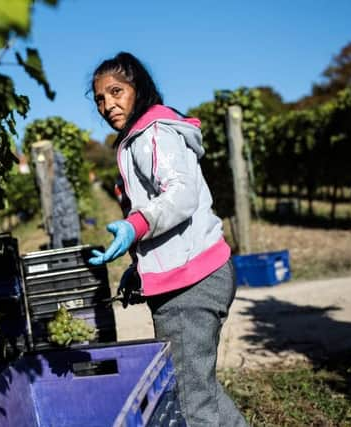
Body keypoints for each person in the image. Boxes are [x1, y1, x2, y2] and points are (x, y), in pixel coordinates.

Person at [87, 52, 248, 426]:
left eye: (116, 91)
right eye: (100, 98)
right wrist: (140, 268)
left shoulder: (153, 134)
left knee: (192, 403)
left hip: (191, 283)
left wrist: (135, 226)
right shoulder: (138, 139)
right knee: (195, 386)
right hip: (189, 277)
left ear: (138, 89)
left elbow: (179, 194)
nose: (108, 104)